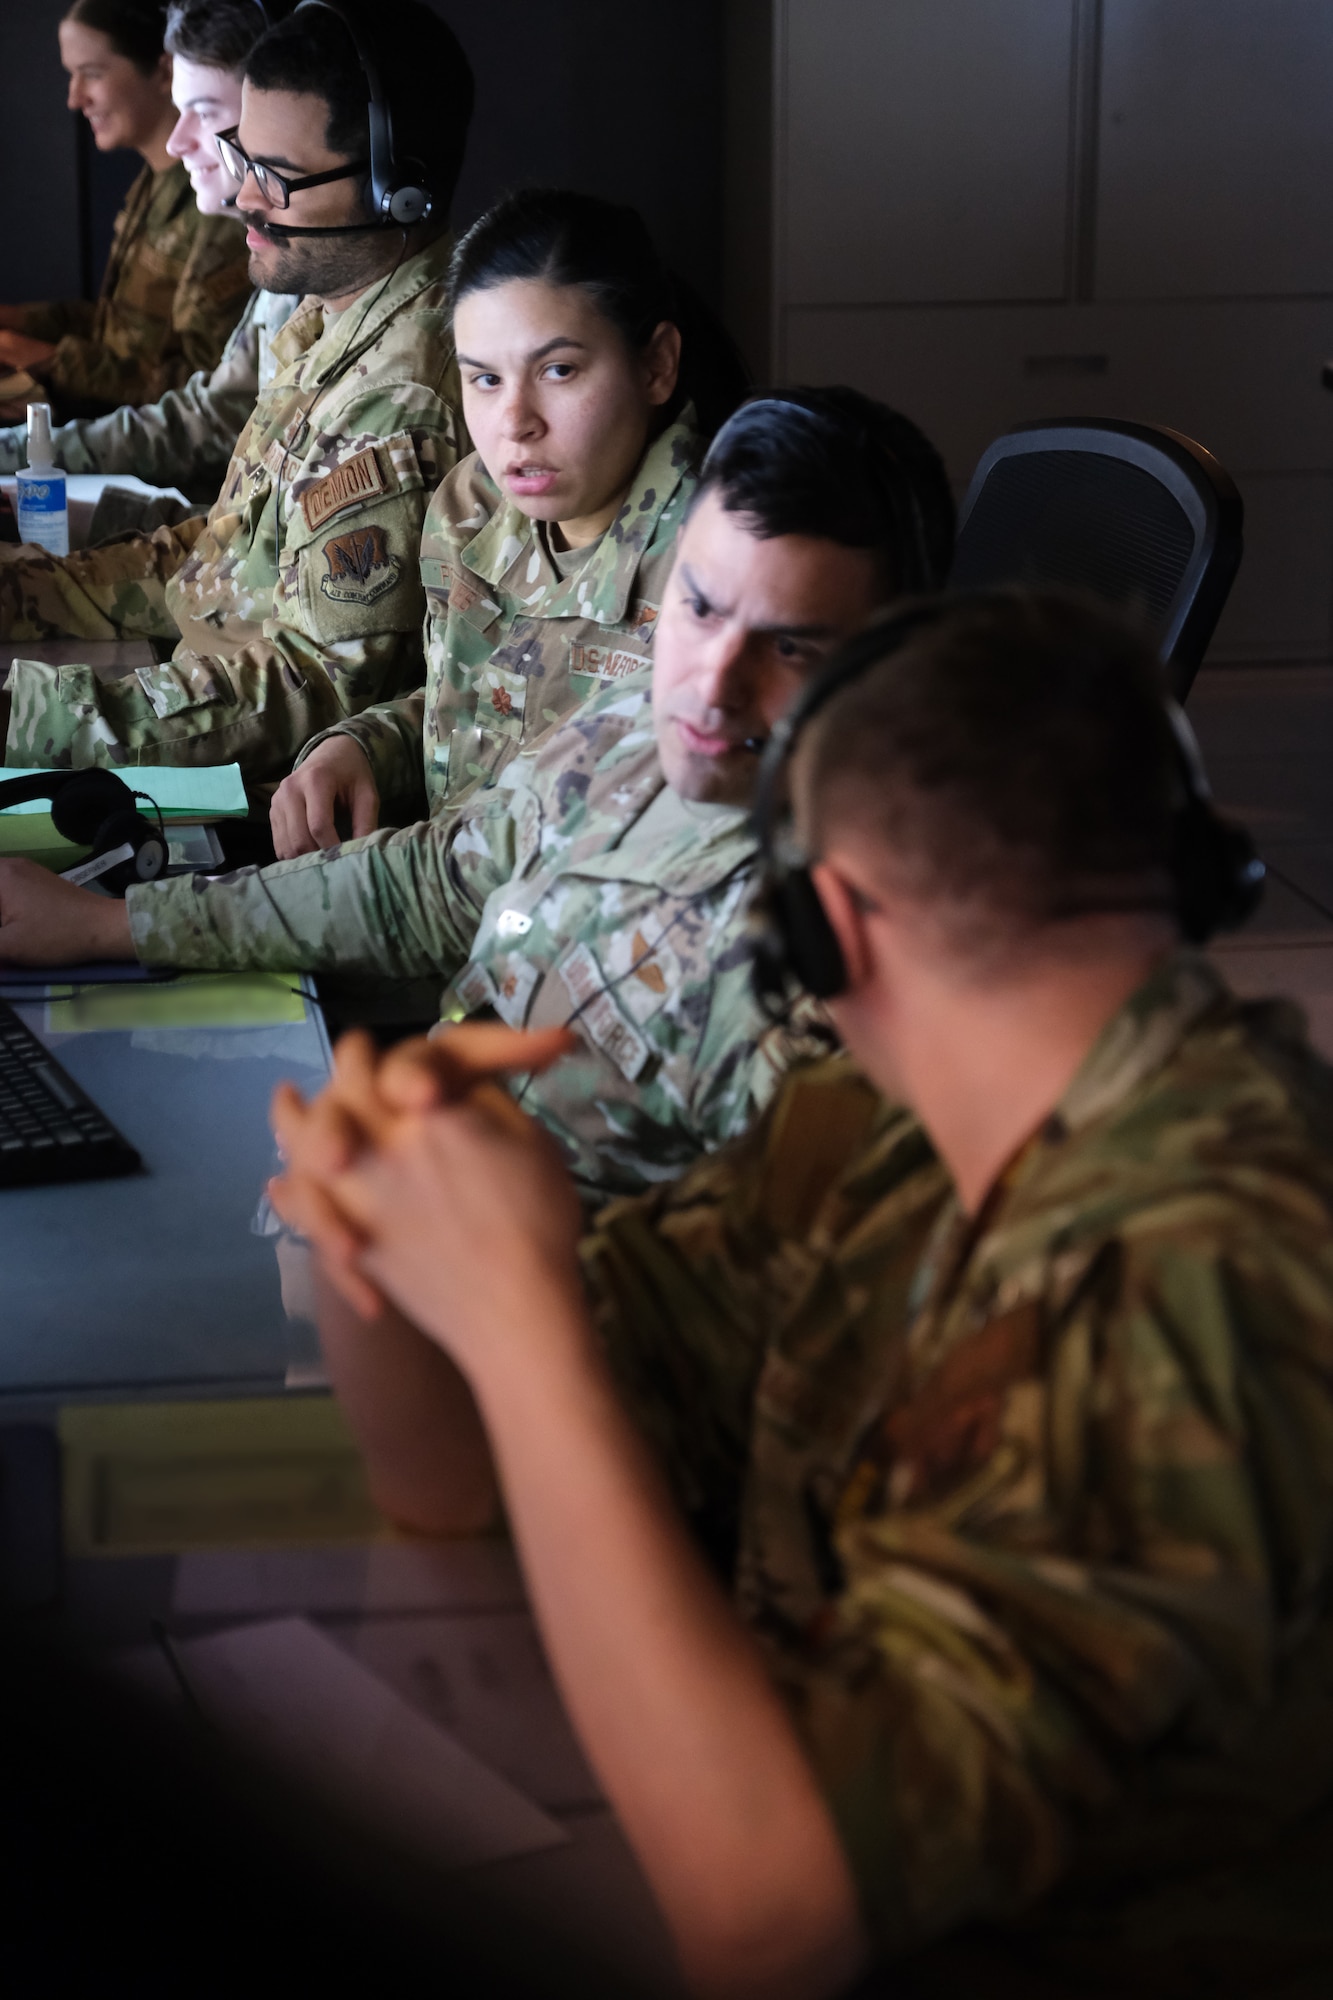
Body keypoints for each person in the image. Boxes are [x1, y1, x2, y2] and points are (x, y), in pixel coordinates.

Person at [266, 590, 1333, 1999]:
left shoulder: (1197, 1272)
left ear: (821, 934)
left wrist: (521, 1320)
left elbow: (771, 1912)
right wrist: (386, 1226)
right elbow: (449, 1477)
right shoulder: (884, 1133)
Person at [0, 390, 955, 1204]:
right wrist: (107, 928)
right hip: (411, 1186)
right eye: (701, 607)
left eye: (790, 646)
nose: (712, 684)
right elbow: (435, 880)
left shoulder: (837, 974)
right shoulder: (639, 723)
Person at [0, 0, 475, 782]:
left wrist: (29, 715)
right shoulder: (327, 323)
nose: (243, 196)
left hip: (250, 795)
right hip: (197, 699)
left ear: (400, 191)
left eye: (275, 177)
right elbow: (222, 568)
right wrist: (23, 591)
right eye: (242, 157)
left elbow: (313, 687)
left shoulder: (398, 396)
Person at [270, 187, 750, 857]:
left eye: (558, 370)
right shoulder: (473, 508)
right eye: (484, 379)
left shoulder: (716, 572)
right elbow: (474, 714)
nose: (515, 422)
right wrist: (362, 749)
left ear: (656, 365)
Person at [0, 0, 300, 513]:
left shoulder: (286, 258)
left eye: (203, 113)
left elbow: (207, 417)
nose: (179, 141)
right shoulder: (278, 259)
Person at [0, 0, 251, 423]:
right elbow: (120, 327)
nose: (74, 97)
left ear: (163, 71)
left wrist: (51, 360)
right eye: (71, 75)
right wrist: (18, 324)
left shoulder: (215, 205)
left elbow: (204, 391)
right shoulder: (154, 180)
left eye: (92, 74)